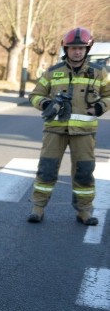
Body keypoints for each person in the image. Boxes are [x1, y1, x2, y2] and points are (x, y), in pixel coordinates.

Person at [27, 27, 110, 225]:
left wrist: (99, 107)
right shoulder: (53, 72)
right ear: (66, 49)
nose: (77, 51)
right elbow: (34, 95)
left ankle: (84, 211)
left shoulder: (99, 73)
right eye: (73, 48)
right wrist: (45, 103)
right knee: (46, 169)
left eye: (81, 48)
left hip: (84, 132)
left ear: (87, 50)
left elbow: (109, 95)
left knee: (84, 171)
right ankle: (38, 208)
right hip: (55, 130)